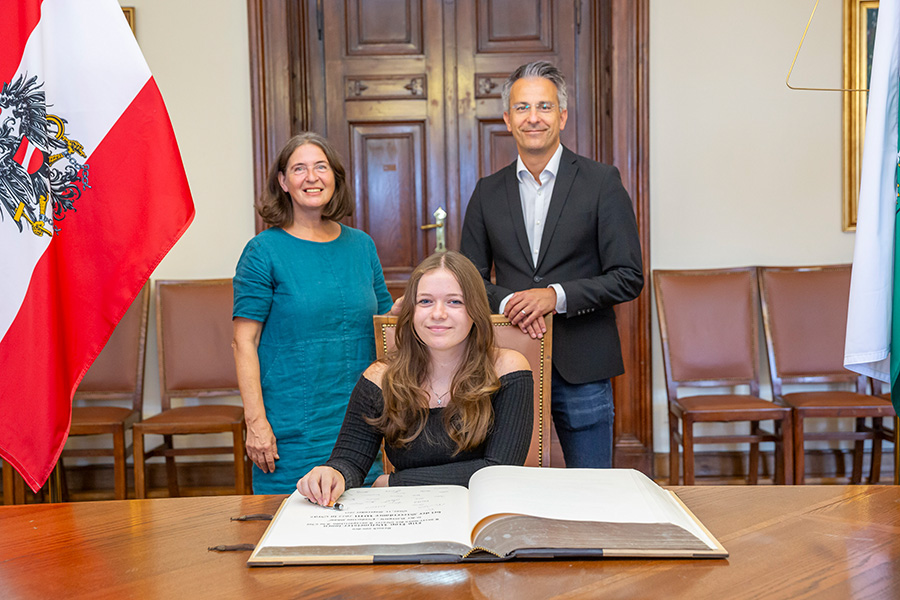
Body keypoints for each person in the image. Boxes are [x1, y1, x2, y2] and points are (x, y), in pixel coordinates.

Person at [460, 61, 643, 469]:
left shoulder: (602, 182)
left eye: (544, 107)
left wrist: (554, 297)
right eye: (522, 108)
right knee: (509, 485)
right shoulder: (487, 192)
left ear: (562, 115)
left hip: (584, 365)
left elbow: (628, 276)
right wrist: (511, 302)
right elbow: (468, 277)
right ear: (507, 119)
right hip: (508, 363)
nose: (533, 118)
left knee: (591, 488)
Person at [298, 251, 533, 506]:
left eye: (454, 302)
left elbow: (498, 470)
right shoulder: (380, 377)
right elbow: (350, 462)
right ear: (411, 311)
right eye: (425, 302)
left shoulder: (507, 368)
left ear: (475, 310)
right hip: (407, 514)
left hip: (484, 511)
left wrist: (395, 482)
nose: (438, 314)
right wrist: (332, 474)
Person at [232, 132, 394, 494]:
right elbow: (244, 342)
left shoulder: (362, 245)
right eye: (299, 168)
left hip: (362, 425)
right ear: (283, 182)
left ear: (334, 177)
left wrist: (432, 300)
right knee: (292, 536)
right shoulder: (262, 251)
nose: (311, 177)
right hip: (292, 427)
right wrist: (255, 422)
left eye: (321, 167)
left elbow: (387, 324)